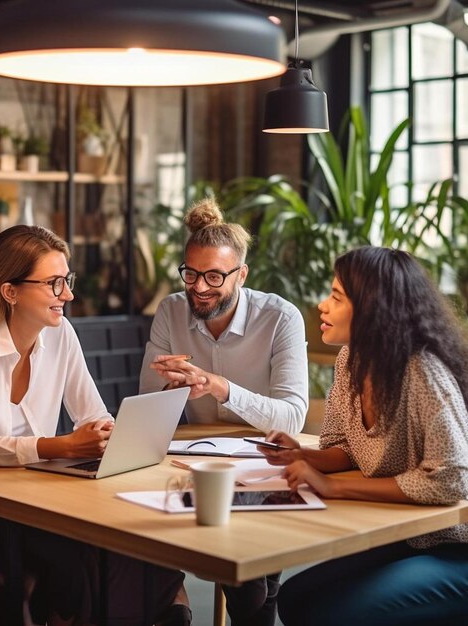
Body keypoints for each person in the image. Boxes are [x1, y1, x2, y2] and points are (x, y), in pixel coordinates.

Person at [0, 225, 189, 626]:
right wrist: (66, 447)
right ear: (10, 291)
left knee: (123, 538)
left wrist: (112, 435)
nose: (69, 295)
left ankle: (154, 607)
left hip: (27, 488)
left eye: (67, 280)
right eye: (54, 283)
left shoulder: (60, 335)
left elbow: (93, 414)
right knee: (73, 555)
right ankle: (165, 606)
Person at [259, 246, 468, 626]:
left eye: (337, 297)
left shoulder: (423, 371)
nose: (322, 306)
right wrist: (304, 458)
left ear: (373, 309)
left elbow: (451, 480)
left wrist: (330, 486)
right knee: (295, 599)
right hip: (414, 540)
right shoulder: (350, 360)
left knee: (336, 616)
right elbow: (345, 447)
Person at [139, 199, 309, 626]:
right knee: (143, 538)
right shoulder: (170, 310)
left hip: (263, 464)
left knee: (247, 575)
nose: (199, 287)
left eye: (214, 276)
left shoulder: (280, 318)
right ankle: (176, 604)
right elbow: (146, 402)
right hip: (192, 461)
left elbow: (292, 418)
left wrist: (220, 387)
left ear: (242, 274)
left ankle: (254, 599)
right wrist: (168, 385)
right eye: (191, 273)